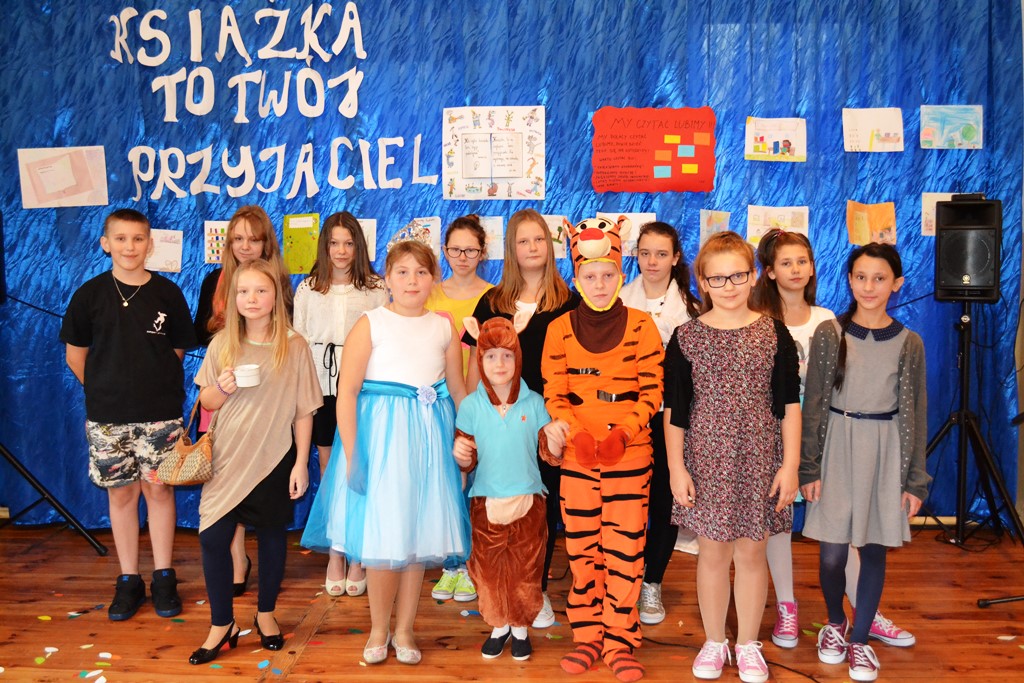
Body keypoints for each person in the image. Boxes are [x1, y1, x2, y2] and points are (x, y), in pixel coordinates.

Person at [302, 239, 469, 665]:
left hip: (428, 445)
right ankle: (379, 628)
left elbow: (457, 391)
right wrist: (353, 452)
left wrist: (467, 438)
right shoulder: (370, 323)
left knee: (416, 538)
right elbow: (347, 392)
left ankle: (405, 629)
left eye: (421, 272)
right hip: (381, 445)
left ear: (433, 279)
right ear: (388, 279)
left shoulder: (444, 328)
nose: (412, 280)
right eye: (402, 272)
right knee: (383, 537)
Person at [751, 229, 916, 651]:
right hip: (774, 431)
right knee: (778, 523)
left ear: (813, 267)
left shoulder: (827, 319)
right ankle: (787, 606)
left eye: (802, 261)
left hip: (827, 435)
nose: (795, 269)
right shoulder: (756, 320)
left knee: (846, 529)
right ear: (768, 271)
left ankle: (863, 610)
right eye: (785, 262)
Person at [664, 231, 800, 683]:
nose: (729, 286)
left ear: (754, 275)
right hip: (706, 461)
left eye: (738, 276)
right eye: (717, 278)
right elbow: (675, 411)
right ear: (702, 282)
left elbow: (789, 404)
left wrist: (790, 466)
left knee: (753, 551)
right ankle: (713, 640)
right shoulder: (686, 337)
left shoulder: (773, 333)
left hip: (760, 458)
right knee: (713, 552)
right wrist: (677, 468)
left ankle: (746, 643)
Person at [541, 218, 664, 682]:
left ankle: (619, 640)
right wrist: (575, 432)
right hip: (578, 458)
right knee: (582, 549)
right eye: (589, 276)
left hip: (628, 457)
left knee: (624, 552)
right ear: (576, 278)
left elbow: (652, 391)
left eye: (607, 274)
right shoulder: (559, 329)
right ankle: (588, 636)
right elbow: (555, 393)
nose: (598, 284)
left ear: (620, 274)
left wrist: (624, 433)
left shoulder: (642, 326)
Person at [800, 243, 929, 682]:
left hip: (885, 450)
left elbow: (916, 412)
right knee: (832, 555)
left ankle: (859, 641)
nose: (869, 286)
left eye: (879, 278)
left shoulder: (910, 343)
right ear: (849, 280)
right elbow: (814, 404)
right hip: (837, 445)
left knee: (873, 548)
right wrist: (809, 467)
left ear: (897, 284)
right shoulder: (830, 333)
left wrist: (914, 480)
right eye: (860, 277)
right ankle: (836, 622)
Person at [61, 208, 197, 621]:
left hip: (160, 416)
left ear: (150, 244)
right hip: (108, 418)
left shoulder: (168, 294)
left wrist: (149, 388)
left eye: (138, 239)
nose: (130, 246)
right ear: (106, 244)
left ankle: (164, 577)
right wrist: (107, 391)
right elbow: (75, 356)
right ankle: (128, 579)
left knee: (159, 491)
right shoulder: (89, 295)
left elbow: (176, 352)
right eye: (120, 238)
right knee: (121, 495)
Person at [189, 259, 321, 665]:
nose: (252, 299)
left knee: (271, 537)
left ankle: (266, 614)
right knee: (212, 538)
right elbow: (206, 401)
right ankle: (222, 624)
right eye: (243, 291)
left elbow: (304, 411)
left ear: (276, 295)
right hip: (227, 457)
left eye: (261, 290)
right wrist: (221, 387)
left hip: (274, 458)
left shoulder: (294, 345)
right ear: (232, 298)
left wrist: (301, 463)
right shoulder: (221, 344)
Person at [464, 208, 579, 628]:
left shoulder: (570, 302)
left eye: (539, 239)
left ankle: (536, 590)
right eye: (523, 241)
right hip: (500, 426)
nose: (533, 247)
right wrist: (475, 421)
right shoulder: (492, 302)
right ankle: (497, 589)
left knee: (540, 508)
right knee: (497, 507)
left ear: (551, 245)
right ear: (511, 249)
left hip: (548, 423)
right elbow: (475, 367)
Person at [192, 205, 293, 598]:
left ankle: (260, 583)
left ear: (267, 243)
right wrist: (229, 332)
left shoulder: (279, 281)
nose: (245, 246)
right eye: (238, 239)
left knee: (262, 490)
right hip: (224, 389)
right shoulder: (213, 281)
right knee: (225, 485)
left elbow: (288, 334)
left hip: (266, 401)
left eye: (254, 238)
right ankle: (237, 558)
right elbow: (199, 330)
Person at [293, 211, 385, 598]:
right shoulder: (308, 288)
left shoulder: (376, 288)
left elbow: (383, 339)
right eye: (334, 243)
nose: (342, 251)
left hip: (362, 389)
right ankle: (336, 551)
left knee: (358, 467)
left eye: (348, 243)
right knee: (329, 467)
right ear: (324, 246)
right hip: (321, 388)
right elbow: (298, 341)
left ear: (359, 247)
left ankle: (358, 555)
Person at [453, 316, 550, 661]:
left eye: (507, 355)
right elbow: (467, 459)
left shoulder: (535, 402)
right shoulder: (470, 406)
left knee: (525, 571)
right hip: (486, 502)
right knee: (489, 572)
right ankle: (499, 626)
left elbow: (549, 454)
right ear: (479, 359)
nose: (499, 364)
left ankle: (520, 627)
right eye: (491, 356)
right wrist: (461, 455)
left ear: (518, 358)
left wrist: (555, 439)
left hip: (528, 501)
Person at [619, 221, 701, 626]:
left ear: (676, 258)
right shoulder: (619, 298)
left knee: (664, 502)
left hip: (671, 417)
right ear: (636, 255)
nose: (652, 261)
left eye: (661, 254)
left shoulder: (692, 308)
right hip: (627, 416)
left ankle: (652, 581)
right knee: (625, 501)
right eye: (645, 253)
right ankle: (623, 578)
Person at [427, 214, 492, 603]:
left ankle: (472, 562)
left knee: (476, 483)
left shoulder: (496, 296)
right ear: (445, 251)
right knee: (448, 482)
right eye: (456, 249)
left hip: (482, 402)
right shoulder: (429, 293)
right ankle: (450, 563)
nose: (463, 257)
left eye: (471, 250)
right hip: (435, 401)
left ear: (483, 252)